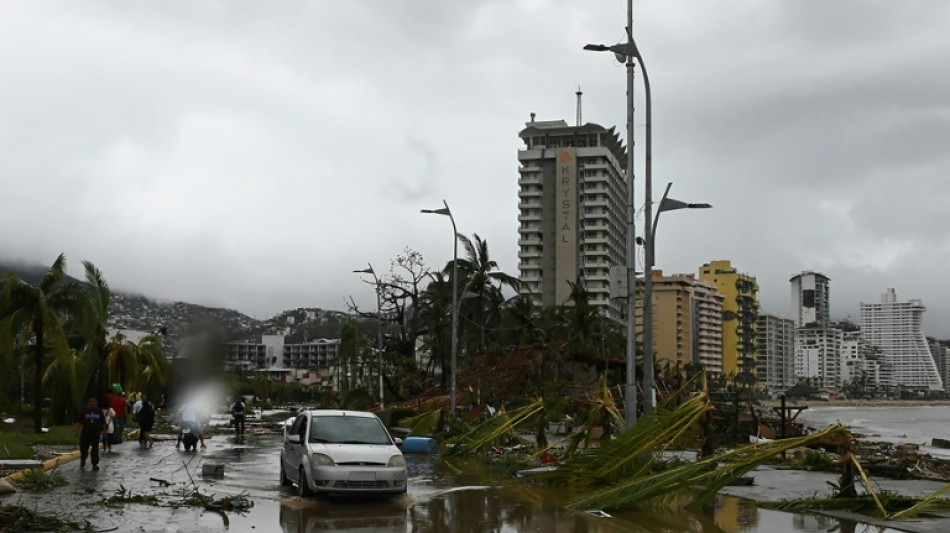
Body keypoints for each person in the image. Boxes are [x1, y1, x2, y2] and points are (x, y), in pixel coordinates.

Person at [76, 397, 105, 470]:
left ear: (96, 403)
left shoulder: (99, 411)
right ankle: (83, 459)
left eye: (94, 401)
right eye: (91, 401)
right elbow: (79, 421)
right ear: (89, 402)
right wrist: (77, 431)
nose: (92, 403)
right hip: (86, 432)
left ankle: (95, 464)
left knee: (95, 449)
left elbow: (103, 422)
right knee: (84, 447)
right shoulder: (84, 410)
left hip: (96, 432)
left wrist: (104, 432)